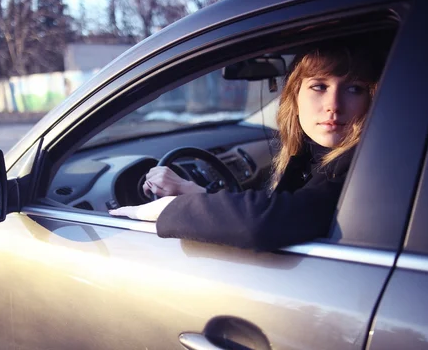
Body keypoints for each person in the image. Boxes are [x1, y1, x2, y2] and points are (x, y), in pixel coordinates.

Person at [109, 44, 382, 251]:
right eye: (319, 86)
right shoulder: (309, 153)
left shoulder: (361, 166)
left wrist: (163, 209)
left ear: (373, 98)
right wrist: (195, 192)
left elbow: (272, 219)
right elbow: (276, 207)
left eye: (354, 89)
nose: (333, 104)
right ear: (295, 97)